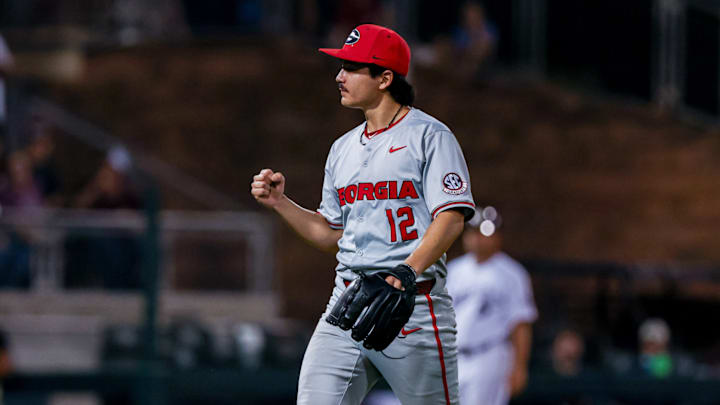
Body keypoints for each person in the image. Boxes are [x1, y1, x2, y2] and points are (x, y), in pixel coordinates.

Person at [251, 24, 475, 405]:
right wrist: (280, 204)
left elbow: (451, 216)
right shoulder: (341, 149)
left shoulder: (429, 136)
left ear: (385, 78)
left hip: (414, 310)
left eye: (351, 67)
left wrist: (406, 272)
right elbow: (329, 233)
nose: (339, 77)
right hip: (349, 304)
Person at [446, 206, 537, 405]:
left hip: (489, 355)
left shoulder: (512, 273)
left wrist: (519, 366)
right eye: (474, 233)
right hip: (454, 357)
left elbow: (520, 324)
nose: (479, 239)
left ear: (498, 237)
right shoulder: (454, 271)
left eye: (485, 234)